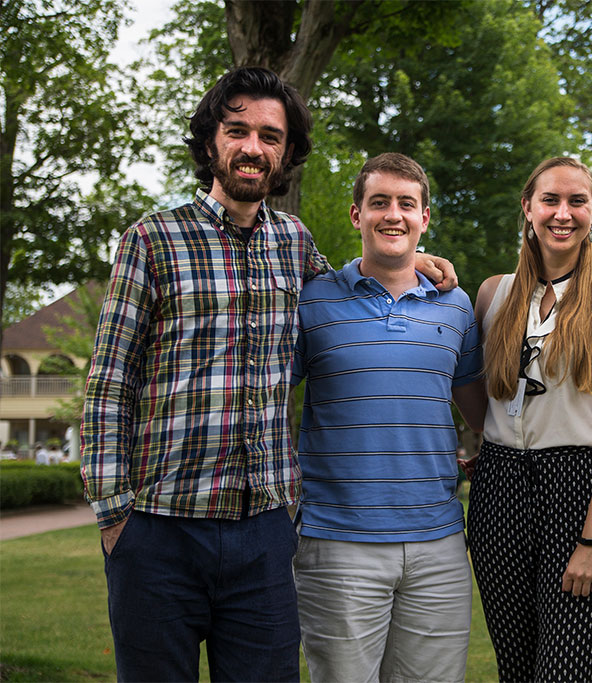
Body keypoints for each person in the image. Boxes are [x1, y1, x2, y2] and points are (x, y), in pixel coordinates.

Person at [80, 68, 454, 682]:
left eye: (271, 136)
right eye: (238, 130)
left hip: (266, 535)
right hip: (158, 529)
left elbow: (352, 300)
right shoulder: (153, 239)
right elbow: (108, 382)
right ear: (211, 145)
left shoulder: (293, 242)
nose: (254, 147)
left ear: (285, 154)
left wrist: (417, 260)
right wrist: (115, 515)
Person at [291, 153, 486, 682]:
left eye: (406, 204)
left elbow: (481, 412)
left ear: (425, 218)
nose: (392, 215)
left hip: (439, 545)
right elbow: (261, 395)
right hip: (337, 544)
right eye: (379, 203)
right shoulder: (312, 301)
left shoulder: (457, 307)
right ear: (357, 215)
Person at [466, 157, 592, 681]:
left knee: (568, 670)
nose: (563, 213)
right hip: (500, 491)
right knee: (517, 668)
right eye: (550, 200)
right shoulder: (493, 294)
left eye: (577, 201)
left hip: (581, 490)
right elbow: (480, 396)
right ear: (528, 208)